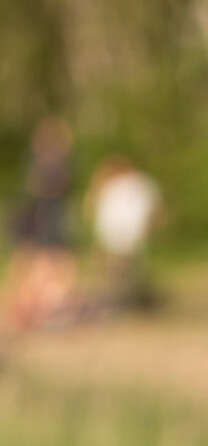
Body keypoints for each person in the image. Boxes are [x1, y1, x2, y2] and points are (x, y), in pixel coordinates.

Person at [5, 117, 78, 332]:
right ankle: (30, 310)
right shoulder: (44, 165)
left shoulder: (54, 164)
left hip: (48, 223)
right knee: (40, 268)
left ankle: (38, 310)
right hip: (42, 223)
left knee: (48, 268)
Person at [86, 156, 162, 312]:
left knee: (120, 271)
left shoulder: (129, 185)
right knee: (120, 271)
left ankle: (125, 300)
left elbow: (93, 206)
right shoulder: (138, 183)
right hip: (123, 235)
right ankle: (125, 299)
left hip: (121, 235)